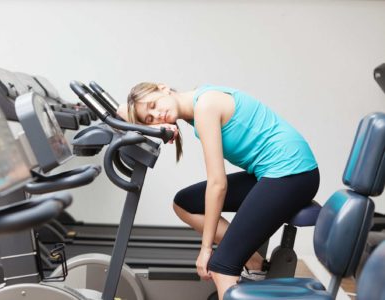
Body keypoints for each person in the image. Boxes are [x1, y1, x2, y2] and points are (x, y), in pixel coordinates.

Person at [117, 83, 320, 299]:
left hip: (293, 173)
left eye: (154, 105)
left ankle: (234, 264)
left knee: (221, 268)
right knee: (184, 203)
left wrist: (207, 250)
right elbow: (124, 109)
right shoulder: (197, 105)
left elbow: (217, 184)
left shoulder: (205, 107)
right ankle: (254, 263)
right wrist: (150, 122)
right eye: (150, 119)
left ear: (163, 88)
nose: (157, 114)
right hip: (277, 171)